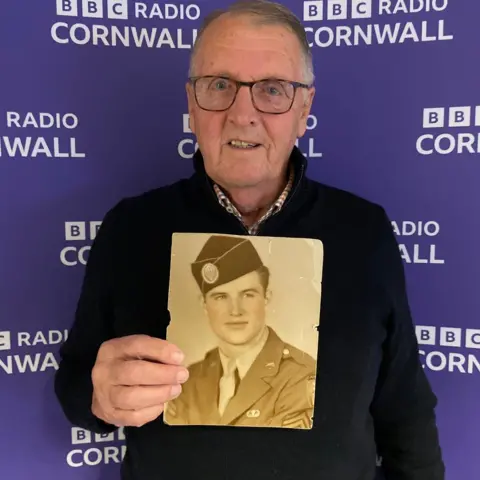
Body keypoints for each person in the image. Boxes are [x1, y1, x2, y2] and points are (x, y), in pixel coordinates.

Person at [54, 1, 445, 479]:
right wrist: (100, 397)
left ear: (304, 110)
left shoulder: (365, 232)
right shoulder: (130, 227)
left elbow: (406, 409)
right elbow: (75, 386)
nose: (243, 114)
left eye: (273, 90)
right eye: (219, 85)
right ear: (191, 105)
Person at [164, 234, 317, 428]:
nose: (235, 311)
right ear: (204, 304)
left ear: (266, 298)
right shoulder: (189, 381)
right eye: (220, 297)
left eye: (247, 295)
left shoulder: (300, 376)